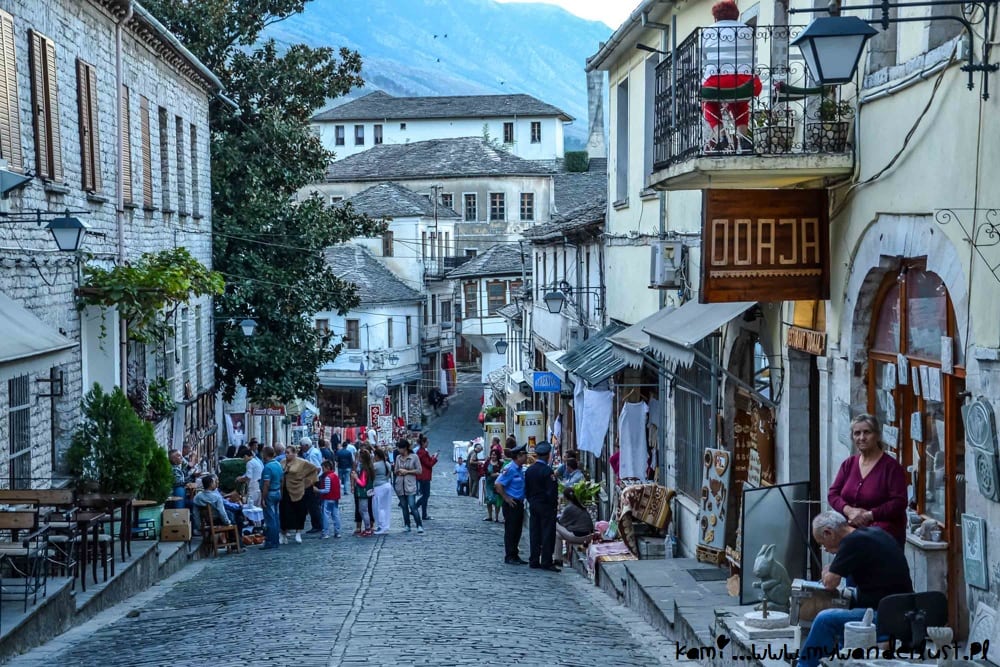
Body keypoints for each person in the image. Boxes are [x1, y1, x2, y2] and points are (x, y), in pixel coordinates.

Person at [798, 510, 913, 667]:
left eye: (822, 544)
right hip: (905, 610)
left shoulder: (851, 543)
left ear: (828, 533)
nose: (825, 549)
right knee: (849, 598)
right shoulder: (873, 533)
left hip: (888, 617)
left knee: (824, 619)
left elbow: (830, 582)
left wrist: (827, 570)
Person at [827, 413, 907, 546]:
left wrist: (869, 515)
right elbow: (833, 494)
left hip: (883, 539)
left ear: (877, 435)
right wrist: (849, 511)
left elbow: (899, 502)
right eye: (857, 433)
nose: (862, 438)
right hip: (852, 535)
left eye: (867, 432)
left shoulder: (891, 467)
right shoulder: (849, 464)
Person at [700, 0, 762, 153]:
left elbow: (704, 57)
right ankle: (743, 139)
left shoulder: (707, 31)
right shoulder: (748, 30)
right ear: (736, 15)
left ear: (715, 17)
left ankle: (721, 136)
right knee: (740, 102)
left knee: (708, 102)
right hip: (746, 82)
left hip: (716, 82)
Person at [524, 441, 560, 572]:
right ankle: (546, 561)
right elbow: (551, 492)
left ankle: (534, 559)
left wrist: (531, 501)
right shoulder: (547, 471)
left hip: (533, 504)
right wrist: (553, 505)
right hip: (546, 506)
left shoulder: (530, 470)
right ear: (547, 455)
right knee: (547, 533)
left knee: (534, 532)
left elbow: (526, 489)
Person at [495, 443, 528, 565]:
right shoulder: (510, 469)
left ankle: (515, 553)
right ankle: (509, 555)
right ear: (518, 456)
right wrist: (507, 498)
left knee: (517, 530)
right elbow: (498, 484)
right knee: (511, 530)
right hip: (511, 504)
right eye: (524, 455)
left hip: (519, 503)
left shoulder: (519, 469)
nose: (526, 457)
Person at [279, 445, 318, 544]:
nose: (286, 455)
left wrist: (307, 482)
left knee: (299, 511)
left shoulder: (302, 462)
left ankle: (298, 532)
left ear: (294, 453)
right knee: (284, 512)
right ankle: (283, 533)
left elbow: (314, 469)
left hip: (298, 490)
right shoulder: (282, 462)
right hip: (285, 490)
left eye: (288, 453)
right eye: (286, 453)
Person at [554, 487, 595, 567]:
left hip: (580, 536)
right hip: (587, 534)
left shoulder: (570, 508)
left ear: (565, 497)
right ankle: (557, 559)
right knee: (557, 535)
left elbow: (561, 522)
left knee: (554, 524)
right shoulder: (578, 505)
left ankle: (555, 557)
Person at [393, 439, 424, 533]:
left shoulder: (414, 457)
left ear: (405, 448)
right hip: (400, 485)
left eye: (400, 448)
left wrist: (407, 472)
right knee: (404, 506)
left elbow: (419, 470)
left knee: (412, 505)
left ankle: (419, 525)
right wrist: (399, 471)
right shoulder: (398, 457)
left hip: (410, 485)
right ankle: (407, 525)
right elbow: (395, 470)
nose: (398, 450)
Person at [298, 437, 325, 534]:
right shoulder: (313, 451)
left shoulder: (312, 454)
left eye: (302, 446)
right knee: (314, 504)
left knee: (313, 504)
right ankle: (318, 524)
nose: (301, 448)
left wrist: (311, 481)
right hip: (314, 480)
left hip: (313, 481)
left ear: (306, 446)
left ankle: (317, 525)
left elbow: (316, 468)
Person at [258, 446, 283, 549]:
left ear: (265, 454)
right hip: (277, 491)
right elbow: (282, 480)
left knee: (270, 519)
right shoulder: (278, 464)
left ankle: (271, 542)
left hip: (270, 493)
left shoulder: (268, 467)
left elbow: (266, 484)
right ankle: (276, 540)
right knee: (275, 517)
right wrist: (281, 492)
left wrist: (263, 498)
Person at [415, 434, 438, 520]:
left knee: (425, 495)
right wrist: (434, 458)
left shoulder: (421, 452)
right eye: (427, 442)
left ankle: (422, 513)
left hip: (422, 475)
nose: (428, 444)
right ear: (423, 443)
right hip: (424, 475)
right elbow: (429, 464)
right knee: (426, 495)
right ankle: (417, 509)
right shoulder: (423, 452)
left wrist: (432, 457)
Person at [352, 448, 376, 536]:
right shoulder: (369, 467)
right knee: (363, 510)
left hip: (363, 492)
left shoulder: (364, 469)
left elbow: (362, 483)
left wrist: (355, 477)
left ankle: (367, 529)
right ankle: (368, 528)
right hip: (366, 491)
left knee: (364, 510)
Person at [316, 460, 341, 539]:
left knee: (325, 516)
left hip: (327, 498)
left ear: (327, 467)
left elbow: (327, 490)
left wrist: (318, 490)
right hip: (335, 498)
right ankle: (337, 532)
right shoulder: (335, 475)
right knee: (335, 515)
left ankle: (325, 532)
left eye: (323, 468)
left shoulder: (327, 477)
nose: (322, 470)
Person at [372, 448, 394, 535]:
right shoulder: (387, 464)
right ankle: (385, 525)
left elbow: (372, 476)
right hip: (386, 485)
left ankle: (381, 526)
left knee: (378, 508)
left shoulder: (375, 465)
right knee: (386, 507)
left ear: (377, 456)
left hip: (378, 487)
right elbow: (388, 475)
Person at [483, 449, 504, 522]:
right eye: (492, 454)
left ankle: (497, 516)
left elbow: (502, 472)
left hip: (497, 484)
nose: (493, 456)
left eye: (494, 455)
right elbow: (485, 471)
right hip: (489, 483)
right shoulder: (487, 463)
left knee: (496, 500)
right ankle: (489, 516)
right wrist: (491, 474)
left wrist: (497, 474)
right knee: (489, 499)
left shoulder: (500, 463)